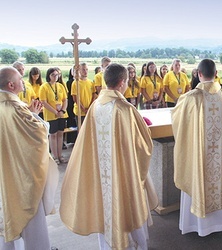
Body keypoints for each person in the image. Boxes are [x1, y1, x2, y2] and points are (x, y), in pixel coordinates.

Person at [60, 63, 156, 249]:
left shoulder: (96, 106)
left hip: (101, 174)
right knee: (128, 207)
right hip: (123, 175)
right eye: (127, 81)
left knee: (105, 209)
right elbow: (143, 145)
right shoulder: (124, 109)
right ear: (121, 83)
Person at [172, 59, 222, 237]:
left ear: (199, 74)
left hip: (199, 156)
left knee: (197, 177)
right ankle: (219, 223)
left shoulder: (191, 98)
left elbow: (178, 122)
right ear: (216, 74)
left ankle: (196, 225)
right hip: (220, 156)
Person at [0, 66, 58, 249]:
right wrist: (34, 116)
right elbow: (37, 134)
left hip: (5, 171)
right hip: (22, 177)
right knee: (32, 222)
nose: (23, 81)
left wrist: (30, 114)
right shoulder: (15, 107)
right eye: (19, 79)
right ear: (11, 85)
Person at [39, 67, 69, 164]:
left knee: (60, 134)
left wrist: (63, 111)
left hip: (61, 114)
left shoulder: (60, 86)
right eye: (53, 75)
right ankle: (55, 156)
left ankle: (60, 155)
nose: (55, 77)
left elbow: (65, 99)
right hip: (51, 114)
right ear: (49, 76)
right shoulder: (44, 87)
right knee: (53, 135)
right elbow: (43, 102)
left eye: (57, 75)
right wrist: (55, 112)